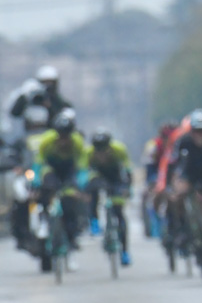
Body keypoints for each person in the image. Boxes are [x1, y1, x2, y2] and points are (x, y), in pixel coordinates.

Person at [31, 109, 89, 270]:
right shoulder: (47, 141)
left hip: (68, 171)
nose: (63, 141)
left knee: (70, 204)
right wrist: (36, 182)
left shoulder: (77, 142)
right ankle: (44, 220)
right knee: (46, 186)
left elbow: (82, 167)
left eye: (66, 137)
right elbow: (38, 164)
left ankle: (70, 247)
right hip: (51, 168)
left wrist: (81, 186)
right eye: (60, 137)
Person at [169, 109, 202, 265]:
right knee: (177, 196)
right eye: (197, 131)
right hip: (189, 174)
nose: (200, 135)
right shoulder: (184, 141)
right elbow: (173, 164)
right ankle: (182, 226)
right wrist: (172, 184)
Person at [85, 129, 134, 265]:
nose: (101, 154)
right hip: (99, 176)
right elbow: (83, 172)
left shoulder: (119, 150)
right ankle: (94, 220)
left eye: (104, 150)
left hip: (116, 177)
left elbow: (127, 171)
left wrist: (127, 188)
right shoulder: (88, 153)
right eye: (98, 151)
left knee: (119, 212)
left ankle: (124, 251)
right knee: (92, 189)